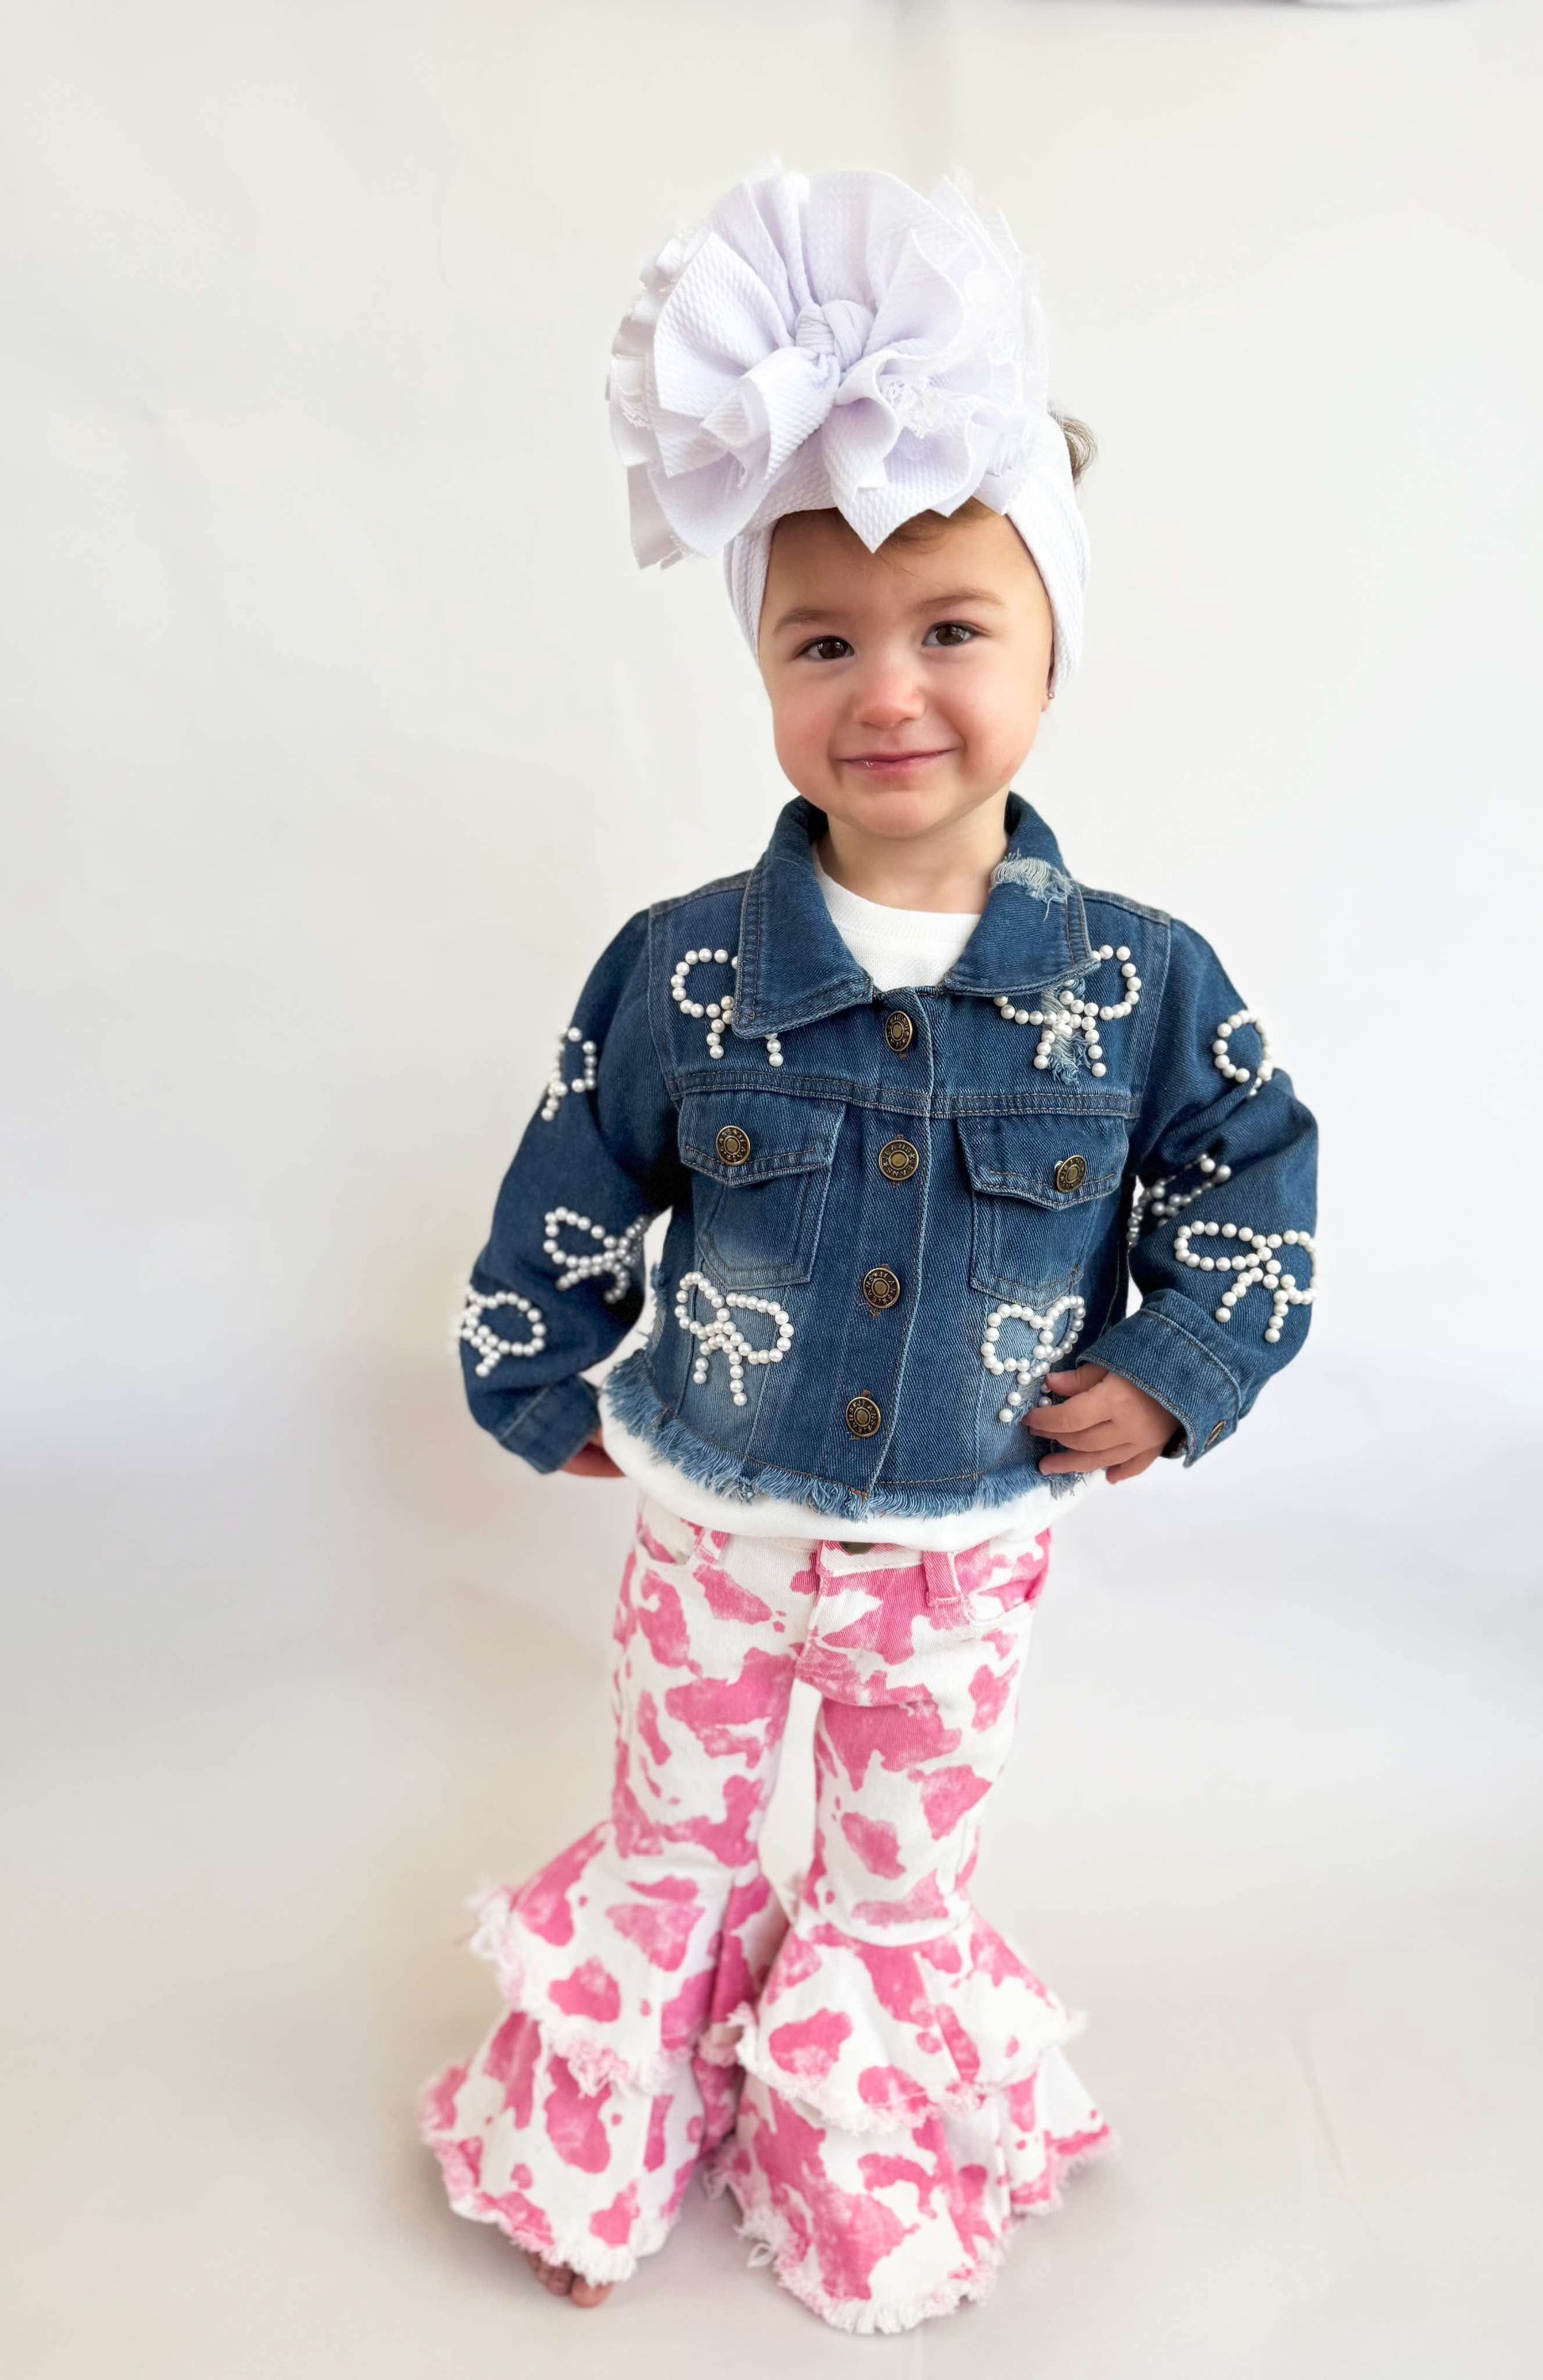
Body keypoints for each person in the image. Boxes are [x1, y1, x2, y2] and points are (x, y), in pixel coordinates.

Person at [417, 163, 1318, 2335]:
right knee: (678, 1840)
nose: (887, 691)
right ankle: (603, 2138)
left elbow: (1253, 1185)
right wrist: (536, 1376)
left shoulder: (1141, 982)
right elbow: (574, 1166)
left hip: (961, 1555)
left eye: (952, 631)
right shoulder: (684, 966)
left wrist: (1176, 1366)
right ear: (760, 663)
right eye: (822, 640)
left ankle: (863, 2148)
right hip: (710, 1534)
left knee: (898, 1875)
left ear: (1050, 648)